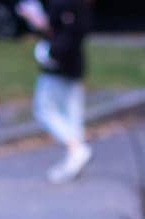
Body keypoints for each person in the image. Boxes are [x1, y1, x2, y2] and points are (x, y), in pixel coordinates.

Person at [17, 0, 92, 184]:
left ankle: (76, 149)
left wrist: (50, 54)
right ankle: (75, 160)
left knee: (44, 110)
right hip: (73, 66)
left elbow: (66, 34)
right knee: (73, 114)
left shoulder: (65, 5)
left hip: (60, 66)